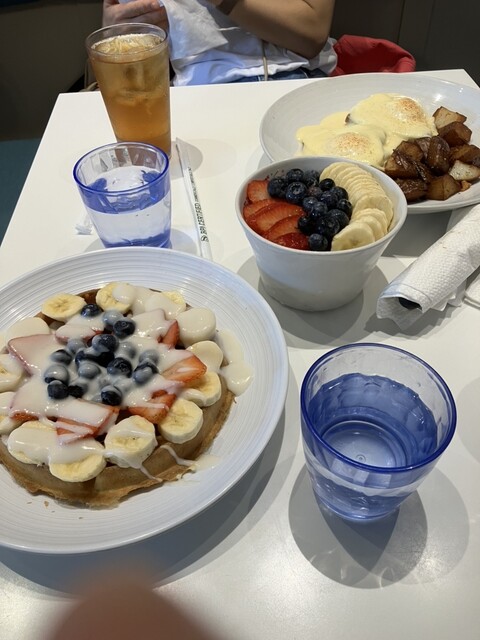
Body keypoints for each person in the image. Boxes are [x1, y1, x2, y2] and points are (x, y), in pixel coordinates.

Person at [102, 0, 337, 86]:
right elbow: (132, 78)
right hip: (186, 93)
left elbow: (312, 35)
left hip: (287, 76)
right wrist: (116, 33)